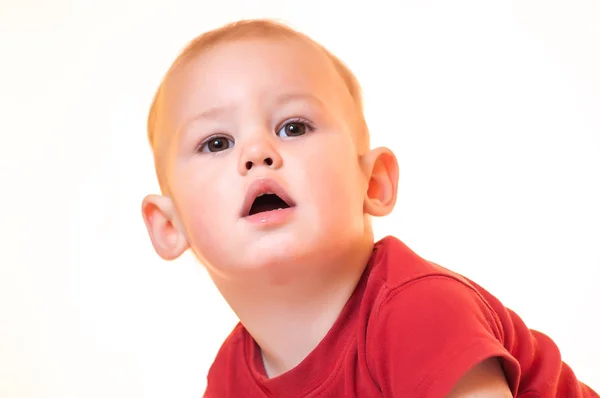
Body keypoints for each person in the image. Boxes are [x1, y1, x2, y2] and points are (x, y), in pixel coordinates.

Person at [140, 19, 598, 397]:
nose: (257, 152)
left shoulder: (417, 309)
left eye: (293, 127)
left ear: (374, 182)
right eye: (216, 142)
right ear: (168, 225)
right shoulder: (230, 380)